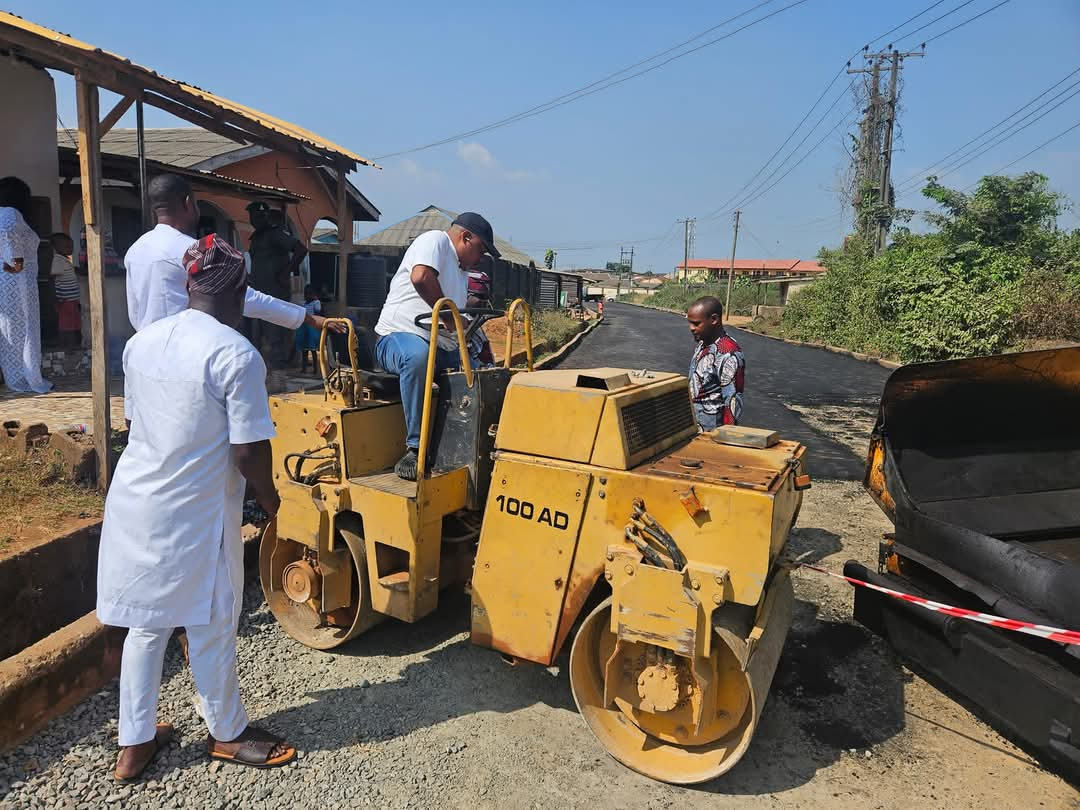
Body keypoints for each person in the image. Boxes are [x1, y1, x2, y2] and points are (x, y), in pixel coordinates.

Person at [98, 234, 295, 782]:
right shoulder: (236, 354)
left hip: (136, 501)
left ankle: (134, 744)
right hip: (196, 512)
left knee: (145, 625)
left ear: (189, 285)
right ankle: (227, 733)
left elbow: (137, 424)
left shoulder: (142, 342)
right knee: (211, 619)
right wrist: (271, 498)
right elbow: (250, 449)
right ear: (240, 289)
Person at [124, 175, 333, 342]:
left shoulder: (135, 250)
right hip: (183, 351)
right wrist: (307, 317)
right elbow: (244, 296)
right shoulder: (194, 250)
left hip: (143, 350)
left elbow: (134, 309)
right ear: (189, 203)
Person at [374, 212, 499, 480]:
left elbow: (456, 319)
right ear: (465, 237)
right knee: (419, 358)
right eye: (481, 249)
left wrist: (466, 326)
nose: (481, 258)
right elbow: (421, 278)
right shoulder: (435, 241)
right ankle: (415, 447)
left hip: (439, 346)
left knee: (477, 375)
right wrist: (448, 318)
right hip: (397, 338)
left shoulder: (461, 272)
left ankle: (473, 448)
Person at [0, 176, 51, 393]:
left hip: (17, 280)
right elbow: (9, 239)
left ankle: (23, 372)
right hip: (15, 282)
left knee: (18, 328)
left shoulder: (10, 214)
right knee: (19, 329)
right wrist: (16, 264)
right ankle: (21, 375)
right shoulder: (10, 214)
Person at [246, 203, 307, 365]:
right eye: (254, 216)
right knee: (257, 337)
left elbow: (300, 249)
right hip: (258, 294)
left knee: (275, 336)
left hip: (274, 294)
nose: (257, 220)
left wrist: (286, 272)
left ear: (267, 217)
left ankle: (279, 379)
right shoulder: (256, 238)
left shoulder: (275, 234)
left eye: (261, 216)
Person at [686, 296, 745, 429]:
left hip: (712, 433)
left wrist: (726, 439)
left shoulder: (728, 354)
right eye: (689, 323)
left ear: (714, 319)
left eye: (696, 323)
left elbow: (732, 402)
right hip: (694, 427)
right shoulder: (703, 344)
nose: (691, 328)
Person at [50, 232, 81, 348]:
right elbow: (52, 279)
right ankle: (66, 346)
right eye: (67, 246)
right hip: (65, 300)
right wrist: (56, 298)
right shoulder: (58, 261)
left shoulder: (65, 260)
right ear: (56, 248)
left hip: (71, 300)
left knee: (73, 323)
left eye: (71, 246)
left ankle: (72, 344)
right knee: (66, 325)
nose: (70, 249)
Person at [295, 285, 322, 374]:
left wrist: (316, 299)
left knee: (313, 350)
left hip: (312, 328)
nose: (308, 296)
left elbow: (318, 311)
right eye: (306, 294)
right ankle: (304, 368)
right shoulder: (302, 303)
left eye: (310, 294)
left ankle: (315, 369)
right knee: (304, 350)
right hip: (304, 328)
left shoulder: (316, 303)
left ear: (314, 294)